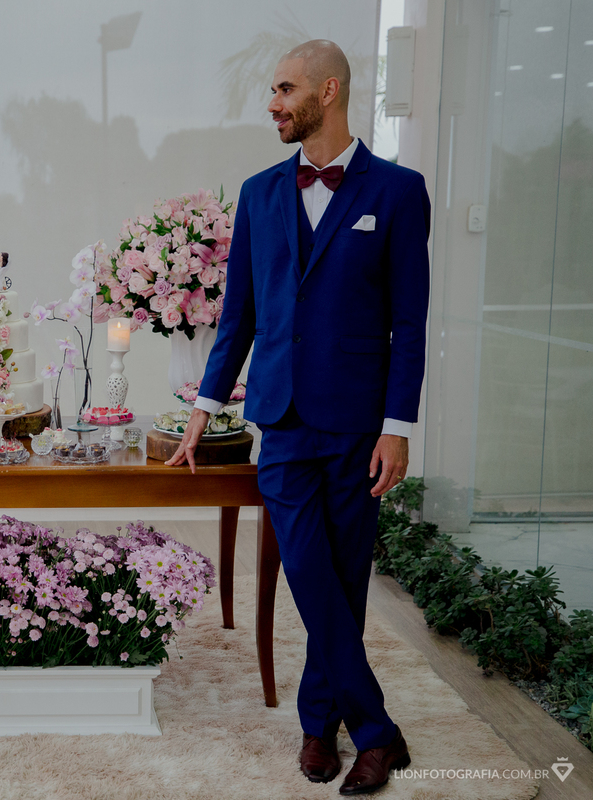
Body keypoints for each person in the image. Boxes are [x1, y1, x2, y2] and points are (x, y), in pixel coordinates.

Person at [166, 41, 429, 796]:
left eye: (284, 89)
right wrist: (203, 412)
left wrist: (397, 427)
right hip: (278, 420)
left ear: (329, 90)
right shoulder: (258, 193)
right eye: (273, 91)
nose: (274, 104)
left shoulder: (400, 193)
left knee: (343, 580)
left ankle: (320, 724)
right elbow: (238, 318)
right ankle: (375, 729)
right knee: (310, 574)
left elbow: (408, 323)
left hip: (357, 425)